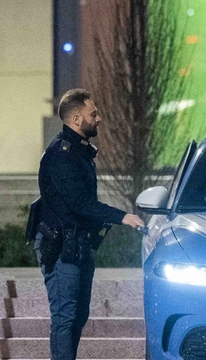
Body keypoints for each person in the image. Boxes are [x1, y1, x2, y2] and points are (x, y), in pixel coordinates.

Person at [36, 89, 146, 360]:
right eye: (93, 114)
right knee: (65, 317)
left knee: (78, 316)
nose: (99, 119)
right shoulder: (61, 155)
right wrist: (122, 216)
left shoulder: (78, 151)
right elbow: (79, 203)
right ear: (75, 118)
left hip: (78, 244)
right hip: (62, 246)